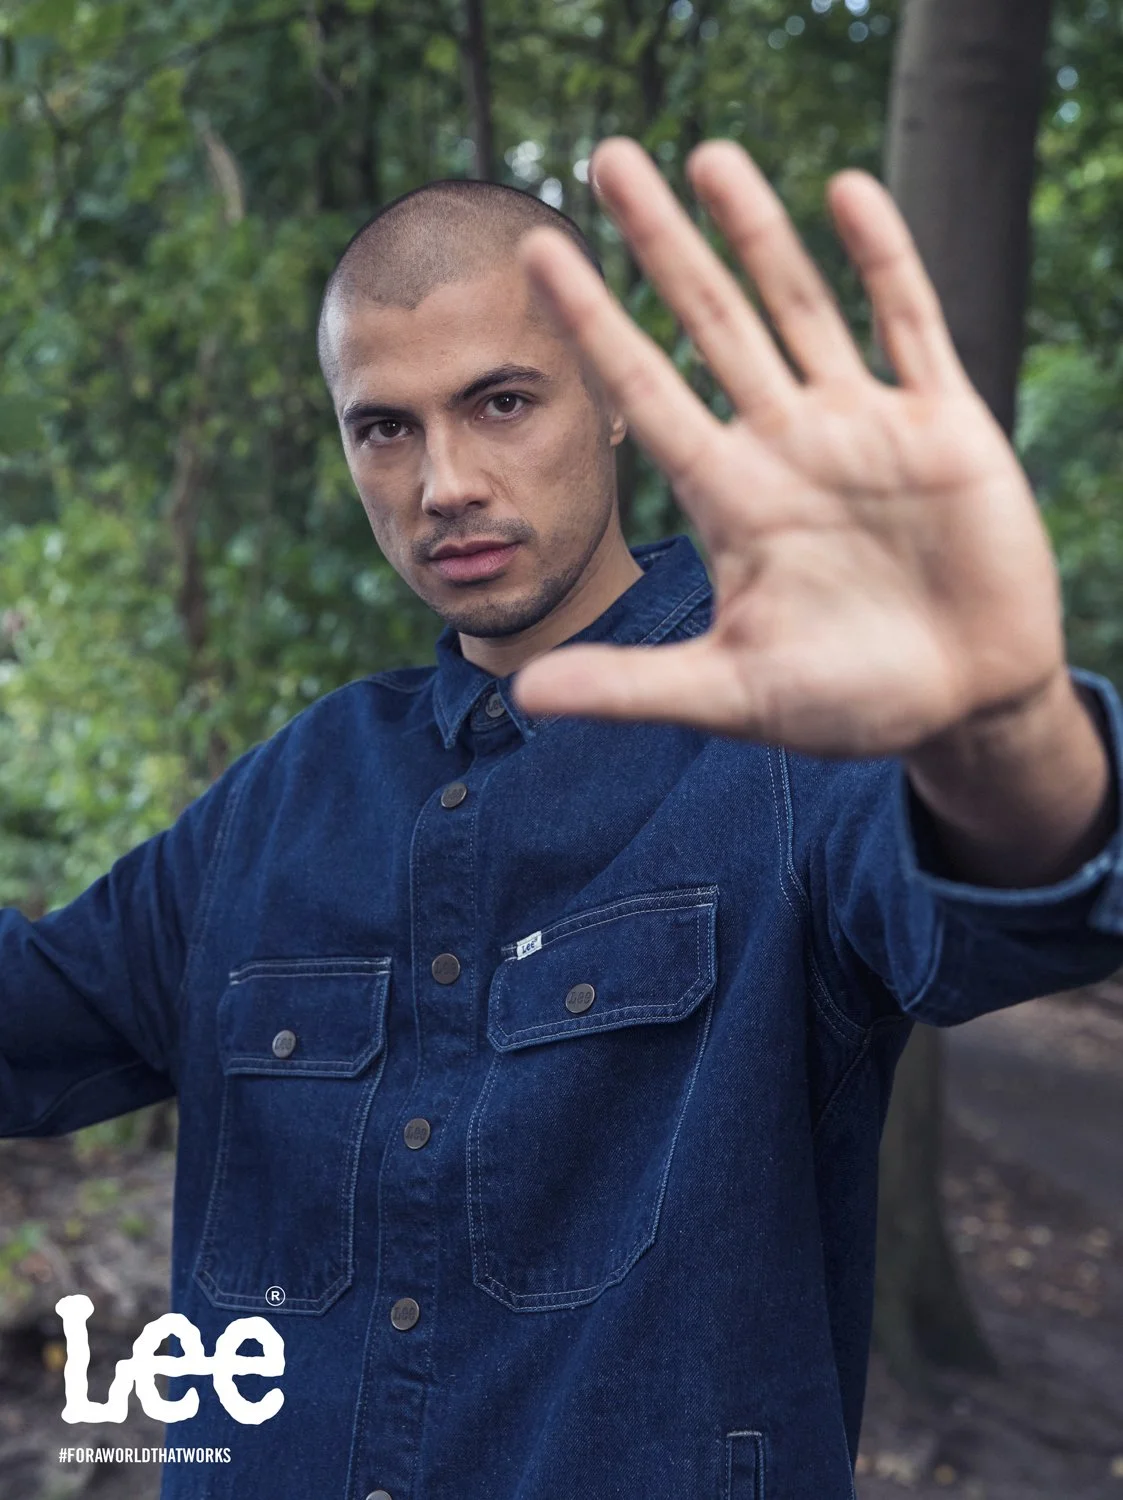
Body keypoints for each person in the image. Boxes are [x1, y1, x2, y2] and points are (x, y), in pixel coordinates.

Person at [3, 134, 1122, 1500]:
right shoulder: (281, 802)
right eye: (386, 426)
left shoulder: (783, 736)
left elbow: (1031, 901)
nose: (445, 482)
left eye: (503, 402)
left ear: (610, 400)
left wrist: (994, 721)